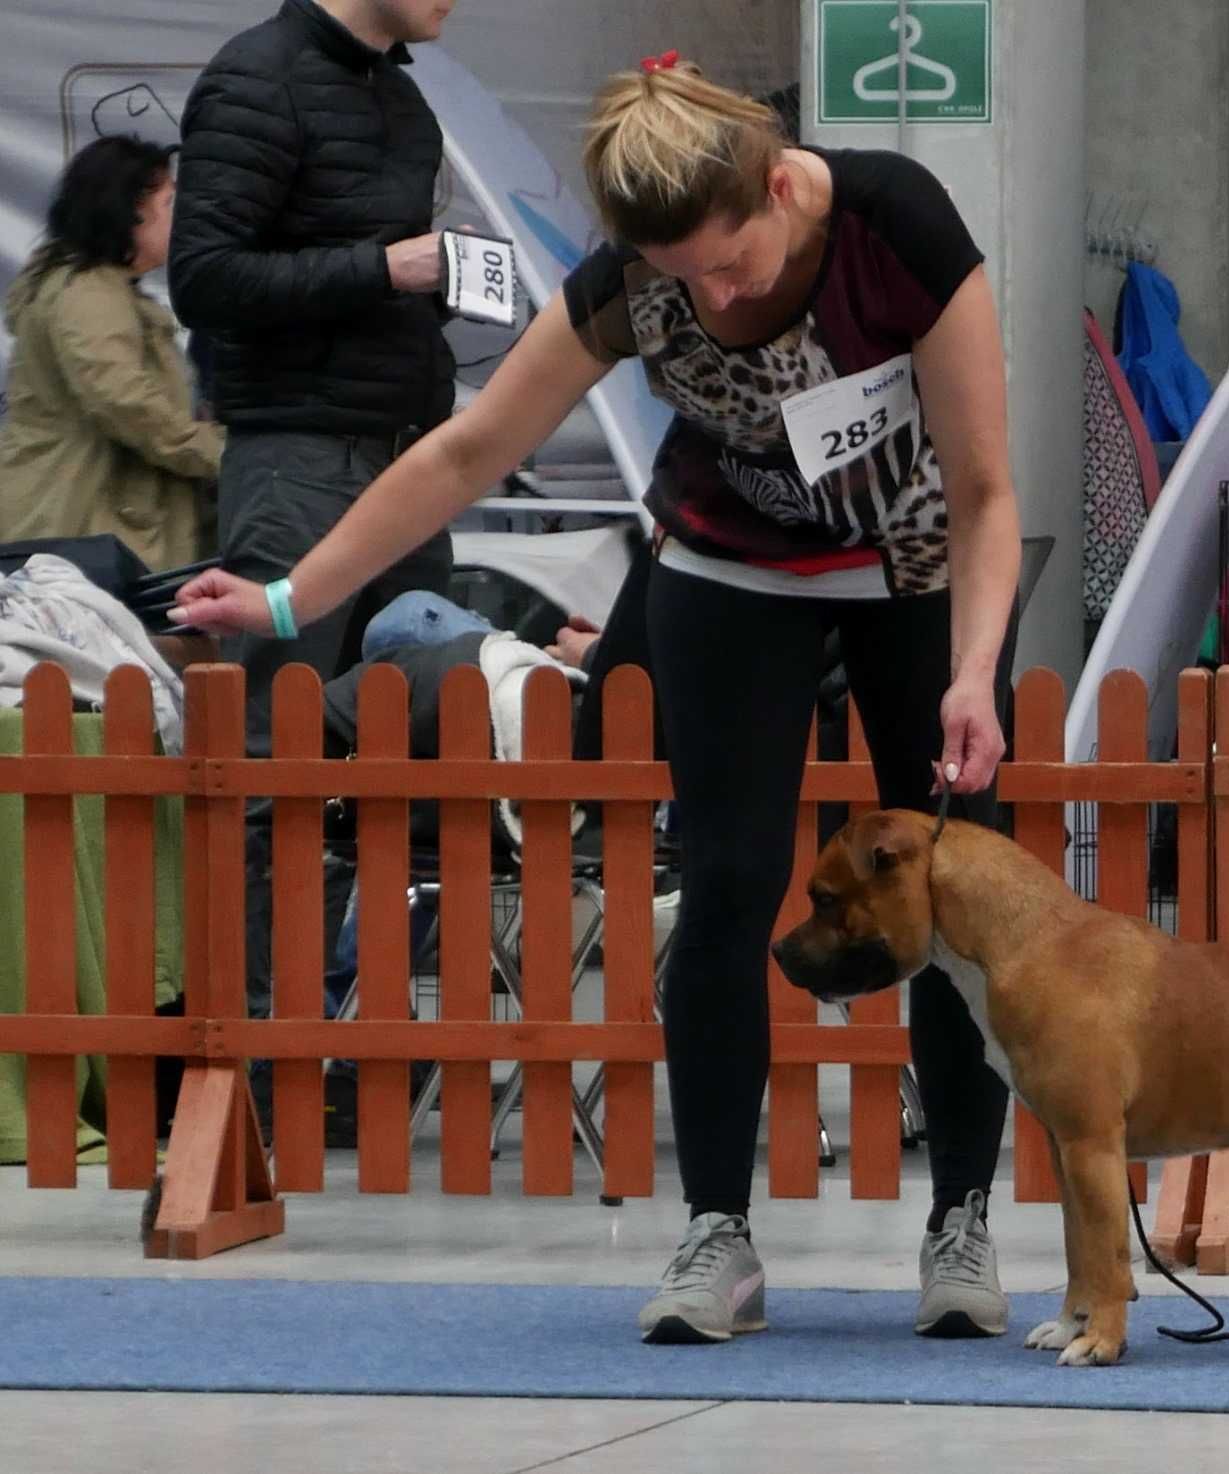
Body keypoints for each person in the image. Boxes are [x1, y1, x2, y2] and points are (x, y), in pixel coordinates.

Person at [171, 56, 1024, 1344]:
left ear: (780, 182)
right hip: (727, 571)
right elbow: (466, 449)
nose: (714, 295)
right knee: (731, 884)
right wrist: (293, 600)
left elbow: (984, 490)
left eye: (729, 263)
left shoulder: (893, 221)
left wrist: (972, 669)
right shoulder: (630, 283)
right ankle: (716, 1233)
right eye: (683, 278)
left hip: (911, 570)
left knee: (952, 895)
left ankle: (960, 1215)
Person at [167, 0, 461, 1033]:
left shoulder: (407, 100)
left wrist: (434, 291)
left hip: (408, 460)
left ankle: (343, 1034)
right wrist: (384, 267)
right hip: (298, 459)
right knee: (271, 757)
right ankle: (251, 1048)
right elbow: (202, 278)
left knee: (401, 757)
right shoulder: (258, 77)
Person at [0, 136, 221, 570]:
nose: (180, 219)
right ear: (130, 210)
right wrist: (222, 454)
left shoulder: (96, 289)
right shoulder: (86, 295)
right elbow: (127, 403)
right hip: (83, 524)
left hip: (89, 522)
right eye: (169, 203)